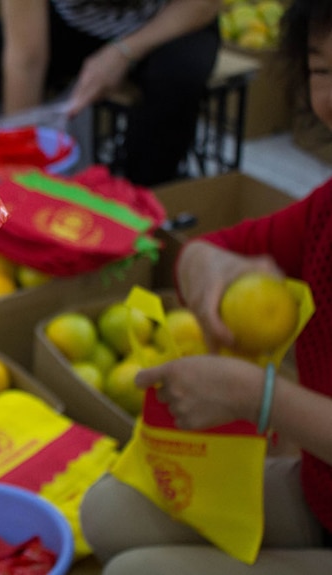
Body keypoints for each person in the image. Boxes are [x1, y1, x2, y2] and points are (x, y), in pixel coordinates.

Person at [79, 1, 332, 572]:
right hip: (322, 493)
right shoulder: (326, 211)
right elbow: (206, 248)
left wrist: (260, 398)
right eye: (322, 70)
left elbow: (264, 399)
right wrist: (206, 269)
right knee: (107, 512)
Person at [0, 0, 221, 186]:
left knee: (177, 79)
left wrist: (123, 53)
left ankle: (142, 200)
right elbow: (26, 58)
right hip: (73, 26)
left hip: (168, 23)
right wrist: (22, 154)